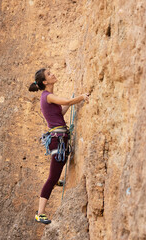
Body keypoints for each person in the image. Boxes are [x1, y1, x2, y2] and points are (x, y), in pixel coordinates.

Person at [29, 68, 89, 224]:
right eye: (49, 74)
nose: (53, 74)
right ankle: (40, 213)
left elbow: (59, 113)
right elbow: (68, 102)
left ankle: (55, 180)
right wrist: (81, 98)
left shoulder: (47, 97)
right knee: (51, 178)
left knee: (59, 165)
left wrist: (71, 103)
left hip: (59, 138)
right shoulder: (48, 96)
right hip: (58, 139)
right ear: (44, 82)